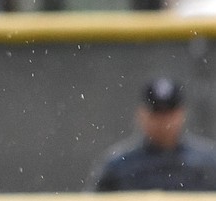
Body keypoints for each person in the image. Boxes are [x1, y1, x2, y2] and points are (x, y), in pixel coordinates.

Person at [88, 77, 216, 193]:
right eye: (156, 112)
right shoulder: (119, 166)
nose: (163, 120)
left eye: (169, 113)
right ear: (141, 114)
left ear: (182, 114)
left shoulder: (208, 162)